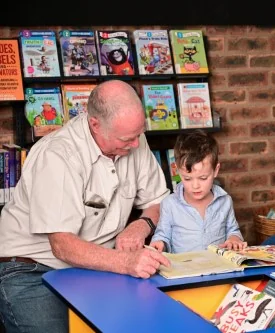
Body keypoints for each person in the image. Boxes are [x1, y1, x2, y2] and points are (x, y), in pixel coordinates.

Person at [0, 80, 171, 333]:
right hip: (30, 269)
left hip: (99, 266)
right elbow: (62, 245)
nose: (136, 144)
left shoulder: (134, 138)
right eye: (127, 138)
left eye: (138, 134)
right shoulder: (57, 155)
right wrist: (126, 262)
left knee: (146, 322)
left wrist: (141, 224)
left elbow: (159, 200)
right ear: (95, 124)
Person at [149, 130, 246, 253]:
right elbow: (163, 235)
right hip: (184, 270)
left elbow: (233, 230)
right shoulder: (169, 204)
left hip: (218, 268)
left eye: (203, 178)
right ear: (178, 171)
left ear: (215, 170)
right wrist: (159, 243)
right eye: (187, 178)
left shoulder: (224, 201)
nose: (195, 186)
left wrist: (234, 239)